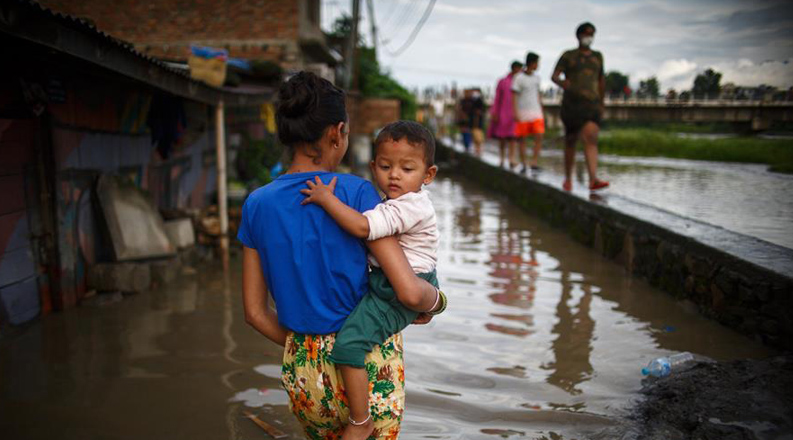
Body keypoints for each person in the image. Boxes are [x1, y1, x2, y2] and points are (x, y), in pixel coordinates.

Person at [239, 72, 442, 440]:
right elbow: (407, 288)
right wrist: (436, 300)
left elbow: (254, 314)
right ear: (337, 133)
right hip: (366, 363)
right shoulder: (358, 194)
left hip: (302, 369)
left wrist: (306, 347)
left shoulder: (256, 204)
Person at [301, 120, 446, 440]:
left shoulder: (411, 204)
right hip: (392, 284)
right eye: (385, 166)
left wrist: (327, 200)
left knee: (348, 346)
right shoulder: (393, 202)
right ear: (372, 166)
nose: (394, 175)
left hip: (398, 290)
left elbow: (363, 228)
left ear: (428, 175)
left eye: (407, 168)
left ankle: (359, 420)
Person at [552, 22, 610, 191]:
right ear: (578, 36)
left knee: (591, 137)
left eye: (591, 34)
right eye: (585, 34)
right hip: (572, 106)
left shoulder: (598, 57)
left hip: (591, 105)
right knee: (571, 140)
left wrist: (602, 102)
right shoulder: (568, 55)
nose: (588, 37)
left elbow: (601, 80)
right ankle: (568, 178)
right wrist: (564, 83)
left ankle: (593, 179)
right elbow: (554, 76)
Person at [512, 52, 545, 173]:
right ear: (532, 63)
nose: (538, 65)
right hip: (523, 113)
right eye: (537, 63)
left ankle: (534, 162)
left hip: (536, 112)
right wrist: (515, 112)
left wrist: (541, 109)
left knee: (539, 136)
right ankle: (524, 163)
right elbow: (514, 96)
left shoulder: (537, 78)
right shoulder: (519, 78)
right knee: (522, 139)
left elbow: (538, 95)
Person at [488, 61, 522, 168]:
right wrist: (495, 112)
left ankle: (512, 159)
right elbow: (497, 98)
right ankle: (502, 158)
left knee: (513, 137)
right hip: (503, 112)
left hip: (515, 113)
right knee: (502, 137)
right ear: (515, 68)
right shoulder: (503, 81)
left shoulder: (520, 82)